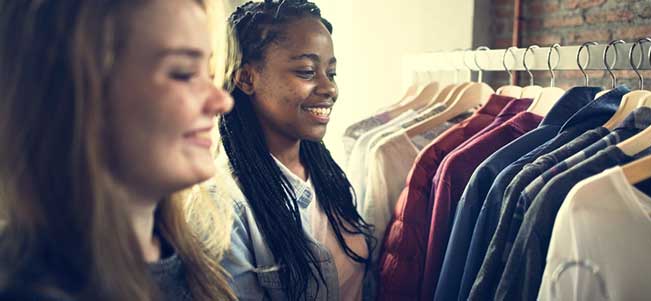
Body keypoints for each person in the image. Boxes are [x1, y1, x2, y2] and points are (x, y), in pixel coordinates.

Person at [0, 0, 237, 300]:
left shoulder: (193, 264)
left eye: (211, 72)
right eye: (183, 72)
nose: (222, 102)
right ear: (73, 91)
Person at [219, 0, 374, 300]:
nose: (329, 88)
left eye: (331, 72)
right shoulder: (227, 207)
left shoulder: (330, 176)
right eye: (306, 71)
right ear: (247, 78)